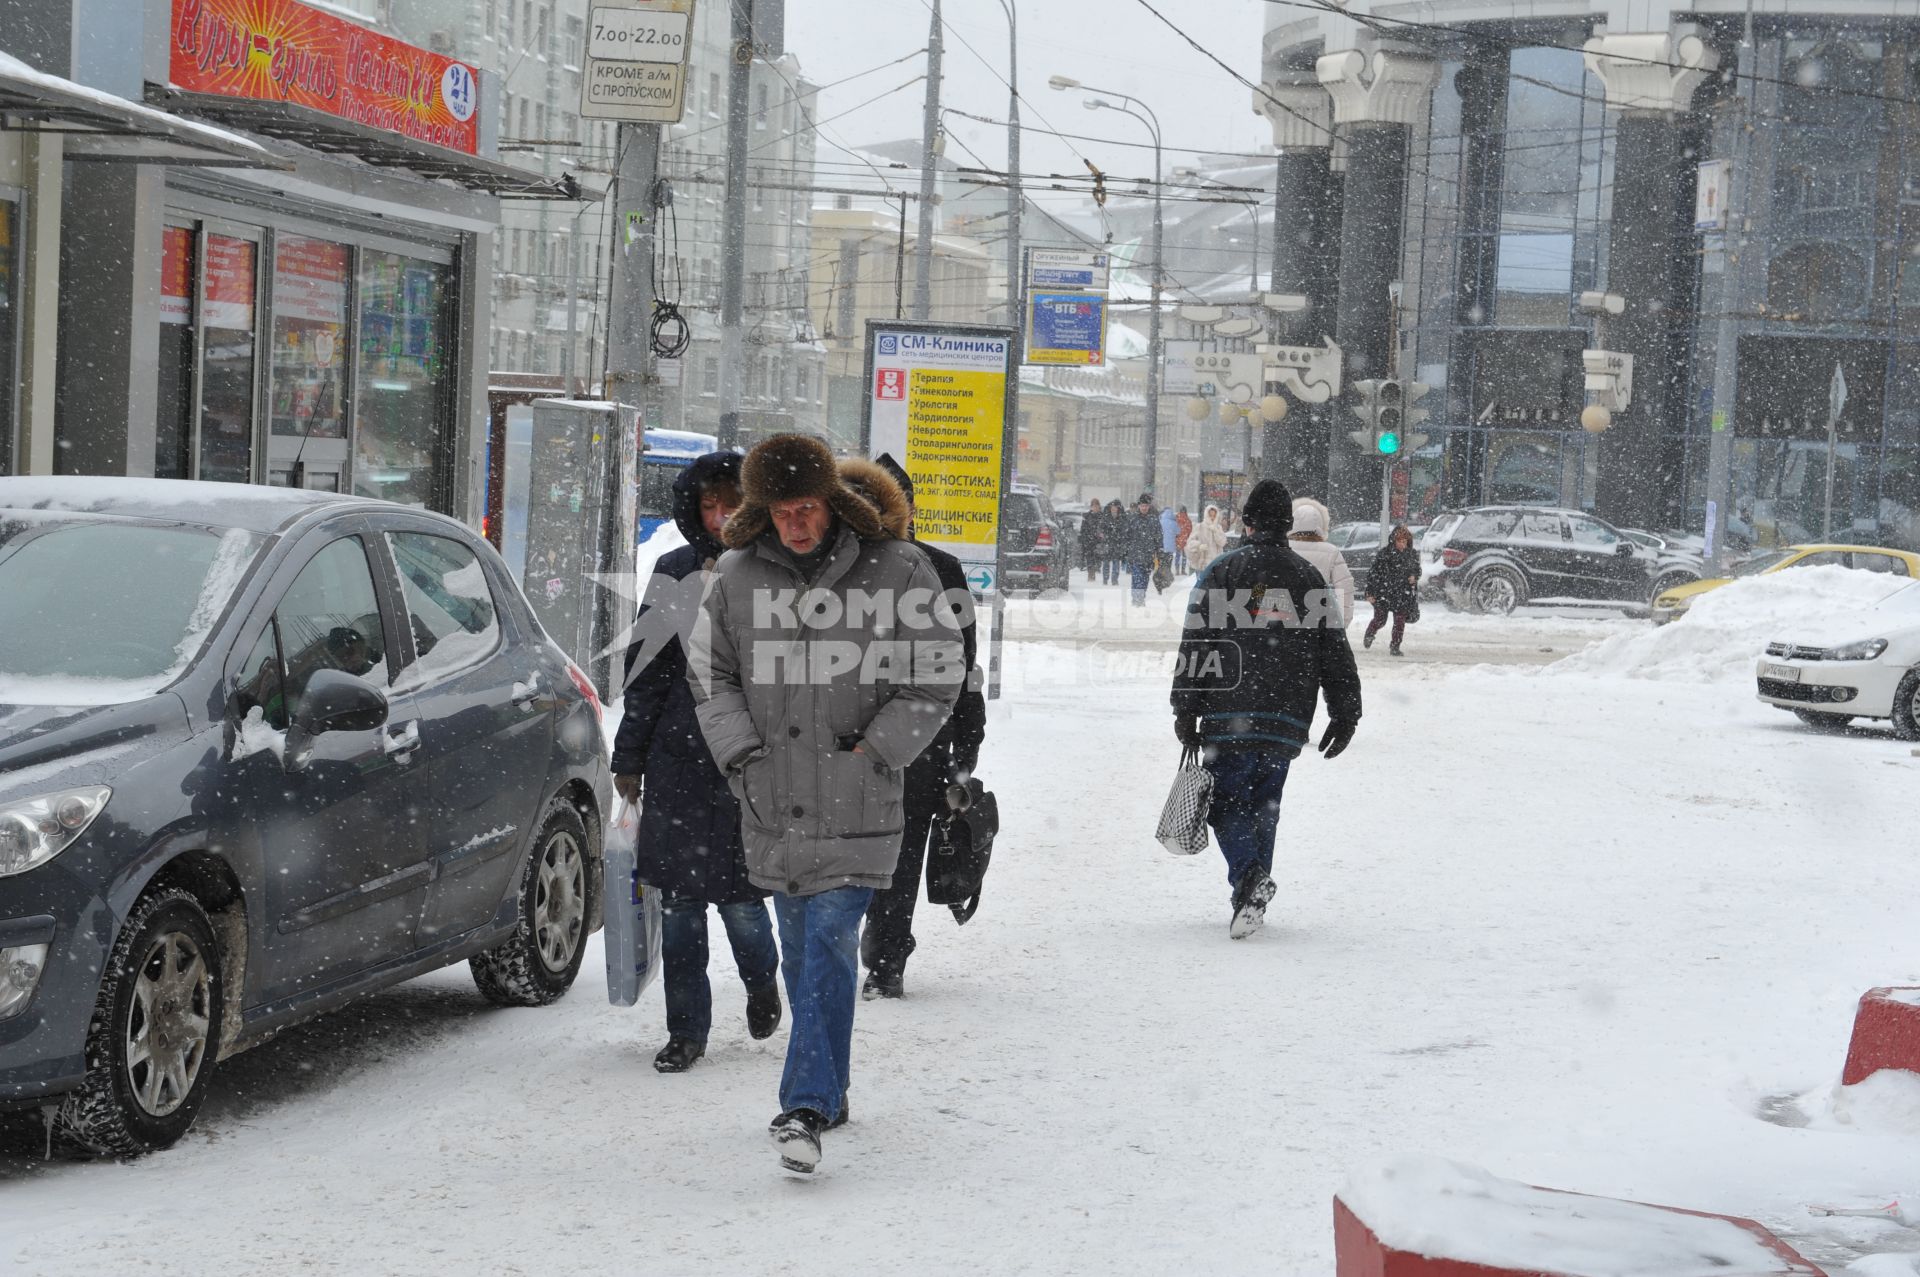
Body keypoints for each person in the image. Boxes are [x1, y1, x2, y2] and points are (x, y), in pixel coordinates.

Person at [688, 434, 963, 1175]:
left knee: (830, 940)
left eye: (806, 509)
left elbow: (939, 672)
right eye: (780, 512)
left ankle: (803, 1105)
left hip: (858, 796)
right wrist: (742, 752)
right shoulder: (738, 575)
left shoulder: (900, 569)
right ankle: (831, 1092)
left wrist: (876, 750)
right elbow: (709, 672)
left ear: (832, 504)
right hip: (773, 797)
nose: (795, 526)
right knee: (808, 952)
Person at [612, 452, 782, 1075]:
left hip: (749, 758)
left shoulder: (778, 572)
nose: (719, 517)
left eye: (731, 504)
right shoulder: (675, 570)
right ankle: (686, 1031)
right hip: (679, 760)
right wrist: (629, 755)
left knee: (742, 900)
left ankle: (763, 983)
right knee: (680, 906)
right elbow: (647, 674)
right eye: (708, 506)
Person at [1171, 479, 1362, 939]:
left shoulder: (1223, 571)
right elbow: (1333, 647)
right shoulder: (1309, 578)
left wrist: (1186, 707)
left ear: (1246, 522)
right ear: (1287, 526)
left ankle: (1247, 879)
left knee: (1223, 804)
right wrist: (1345, 711)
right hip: (1287, 717)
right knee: (1264, 807)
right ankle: (1248, 898)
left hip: (1227, 712)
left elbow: (1197, 641)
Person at [854, 455, 986, 1000]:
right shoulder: (940, 568)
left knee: (876, 847)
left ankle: (883, 948)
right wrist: (967, 739)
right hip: (914, 737)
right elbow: (966, 667)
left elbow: (962, 666)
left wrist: (968, 737)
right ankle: (886, 950)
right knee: (899, 849)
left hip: (885, 737)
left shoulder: (927, 570)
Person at [1288, 497, 1357, 625]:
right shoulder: (1331, 551)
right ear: (1320, 524)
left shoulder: (1281, 548)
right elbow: (1345, 588)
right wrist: (1344, 621)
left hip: (1286, 614)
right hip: (1317, 615)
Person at [1364, 524, 1423, 657]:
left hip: (1402, 593)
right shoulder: (1384, 554)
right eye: (1400, 541)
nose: (1403, 544)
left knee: (1399, 621)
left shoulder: (1412, 554)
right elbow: (1373, 574)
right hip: (1383, 592)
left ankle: (1395, 646)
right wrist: (1369, 592)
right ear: (1394, 541)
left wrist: (1414, 576)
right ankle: (1370, 632)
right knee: (1380, 619)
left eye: (1405, 541)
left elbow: (1417, 569)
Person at [1125, 493, 1161, 606]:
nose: (1144, 508)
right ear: (1139, 506)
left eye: (1146, 505)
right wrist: (1127, 549)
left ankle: (1140, 597)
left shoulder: (1154, 520)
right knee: (1137, 578)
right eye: (1142, 505)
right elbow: (1127, 535)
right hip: (1135, 554)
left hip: (1148, 556)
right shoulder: (1133, 519)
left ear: (1149, 506)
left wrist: (1158, 550)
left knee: (1145, 579)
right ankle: (1137, 599)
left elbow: (1158, 536)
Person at [1187, 504, 1227, 574]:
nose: (1212, 518)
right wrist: (1198, 546)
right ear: (1206, 515)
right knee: (1202, 584)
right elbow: (1190, 543)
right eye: (1210, 515)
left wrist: (1215, 531)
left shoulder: (1218, 528)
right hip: (1203, 565)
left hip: (1216, 565)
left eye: (1214, 516)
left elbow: (1222, 543)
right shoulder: (1200, 527)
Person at [1081, 498, 1106, 584]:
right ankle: (1091, 574)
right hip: (1088, 540)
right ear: (1091, 507)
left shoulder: (1102, 516)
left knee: (1098, 558)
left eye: (1096, 506)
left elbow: (1105, 528)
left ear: (1099, 506)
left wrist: (1102, 535)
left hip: (1098, 541)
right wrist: (1083, 538)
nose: (1095, 507)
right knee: (1089, 558)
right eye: (1093, 506)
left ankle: (1096, 570)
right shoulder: (1086, 516)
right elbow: (1083, 529)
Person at [1103, 499, 1127, 586]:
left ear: (1118, 508)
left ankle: (1114, 579)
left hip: (1117, 543)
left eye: (1115, 507)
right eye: (1112, 507)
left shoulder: (1122, 518)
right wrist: (1103, 535)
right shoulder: (1106, 516)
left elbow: (1124, 530)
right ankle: (1105, 579)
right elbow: (1101, 528)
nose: (1114, 509)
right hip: (1107, 542)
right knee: (1106, 562)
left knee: (1116, 562)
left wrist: (1121, 537)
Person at [1174, 506, 1194, 574]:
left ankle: (1177, 570)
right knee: (1184, 557)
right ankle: (1183, 570)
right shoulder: (1188, 520)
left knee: (1177, 556)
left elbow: (1174, 530)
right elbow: (1190, 530)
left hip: (1177, 540)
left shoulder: (1176, 519)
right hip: (1185, 541)